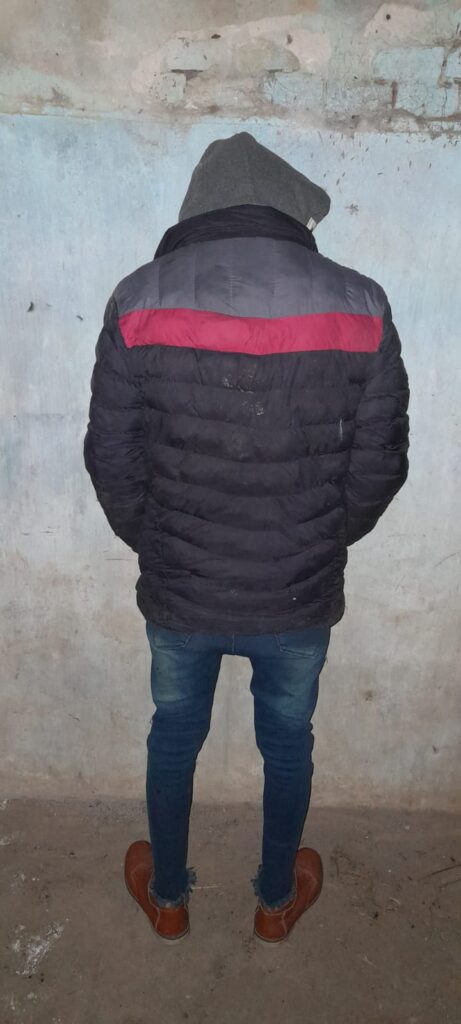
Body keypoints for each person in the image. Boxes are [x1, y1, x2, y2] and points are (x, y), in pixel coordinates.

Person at [84, 132, 409, 944]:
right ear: (284, 208)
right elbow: (380, 463)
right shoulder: (360, 304)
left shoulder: (138, 298)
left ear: (201, 204)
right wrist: (321, 540)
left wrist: (158, 543)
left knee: (173, 736)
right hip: (296, 592)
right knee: (287, 744)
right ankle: (273, 905)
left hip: (180, 589)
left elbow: (110, 458)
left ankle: (168, 900)